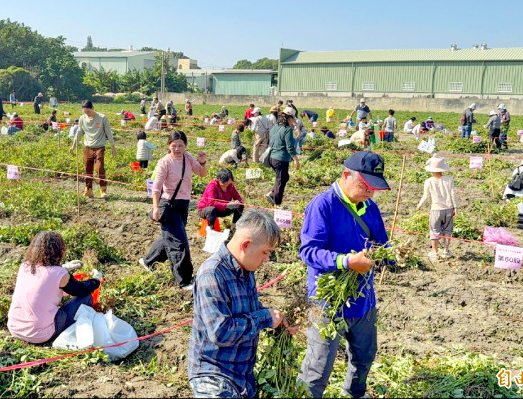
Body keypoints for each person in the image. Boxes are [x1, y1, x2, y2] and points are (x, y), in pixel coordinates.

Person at [297, 151, 391, 398]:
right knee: (319, 365)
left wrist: (391, 254)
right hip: (328, 300)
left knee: (364, 356)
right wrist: (347, 262)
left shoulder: (370, 208)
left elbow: (381, 242)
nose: (371, 192)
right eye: (366, 186)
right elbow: (308, 251)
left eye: (375, 188)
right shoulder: (323, 205)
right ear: (346, 175)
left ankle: (354, 394)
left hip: (363, 299)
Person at [188, 209, 294, 398]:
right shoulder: (212, 275)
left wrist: (276, 318)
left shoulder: (246, 269)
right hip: (213, 376)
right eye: (265, 252)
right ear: (246, 245)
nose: (266, 259)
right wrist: (264, 318)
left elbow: (247, 312)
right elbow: (220, 332)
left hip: (241, 376)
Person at [140, 130, 207, 290]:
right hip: (168, 205)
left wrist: (203, 162)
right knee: (179, 243)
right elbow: (156, 188)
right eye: (174, 146)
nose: (177, 149)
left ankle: (147, 260)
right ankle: (184, 280)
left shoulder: (188, 158)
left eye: (180, 146)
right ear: (168, 146)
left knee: (169, 238)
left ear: (185, 145)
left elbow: (202, 174)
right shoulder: (164, 162)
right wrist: (155, 207)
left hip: (183, 205)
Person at [7, 231, 102, 344]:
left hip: (15, 328)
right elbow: (80, 289)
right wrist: (95, 280)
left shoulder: (25, 266)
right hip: (40, 335)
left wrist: (64, 267)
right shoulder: (58, 274)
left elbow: (44, 276)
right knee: (87, 296)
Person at [70, 100, 117, 198]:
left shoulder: (102, 118)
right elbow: (79, 132)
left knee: (99, 168)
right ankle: (89, 189)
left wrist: (113, 147)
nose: (87, 114)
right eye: (85, 112)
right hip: (88, 147)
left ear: (93, 108)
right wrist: (73, 146)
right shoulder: (82, 119)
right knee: (87, 168)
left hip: (100, 146)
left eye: (89, 112)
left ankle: (103, 190)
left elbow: (108, 132)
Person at [416, 154, 458, 259]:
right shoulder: (449, 179)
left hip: (436, 210)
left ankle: (434, 253)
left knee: (434, 231)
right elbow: (453, 194)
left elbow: (425, 196)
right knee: (448, 230)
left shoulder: (428, 181)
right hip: (448, 209)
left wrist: (420, 204)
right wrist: (456, 208)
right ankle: (446, 251)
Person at [266, 112, 300, 206]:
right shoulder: (288, 130)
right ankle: (277, 203)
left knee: (284, 177)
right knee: (281, 180)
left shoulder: (275, 127)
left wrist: (295, 126)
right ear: (288, 119)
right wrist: (296, 159)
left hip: (272, 158)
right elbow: (290, 147)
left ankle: (272, 193)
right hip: (281, 159)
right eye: (293, 118)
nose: (294, 120)